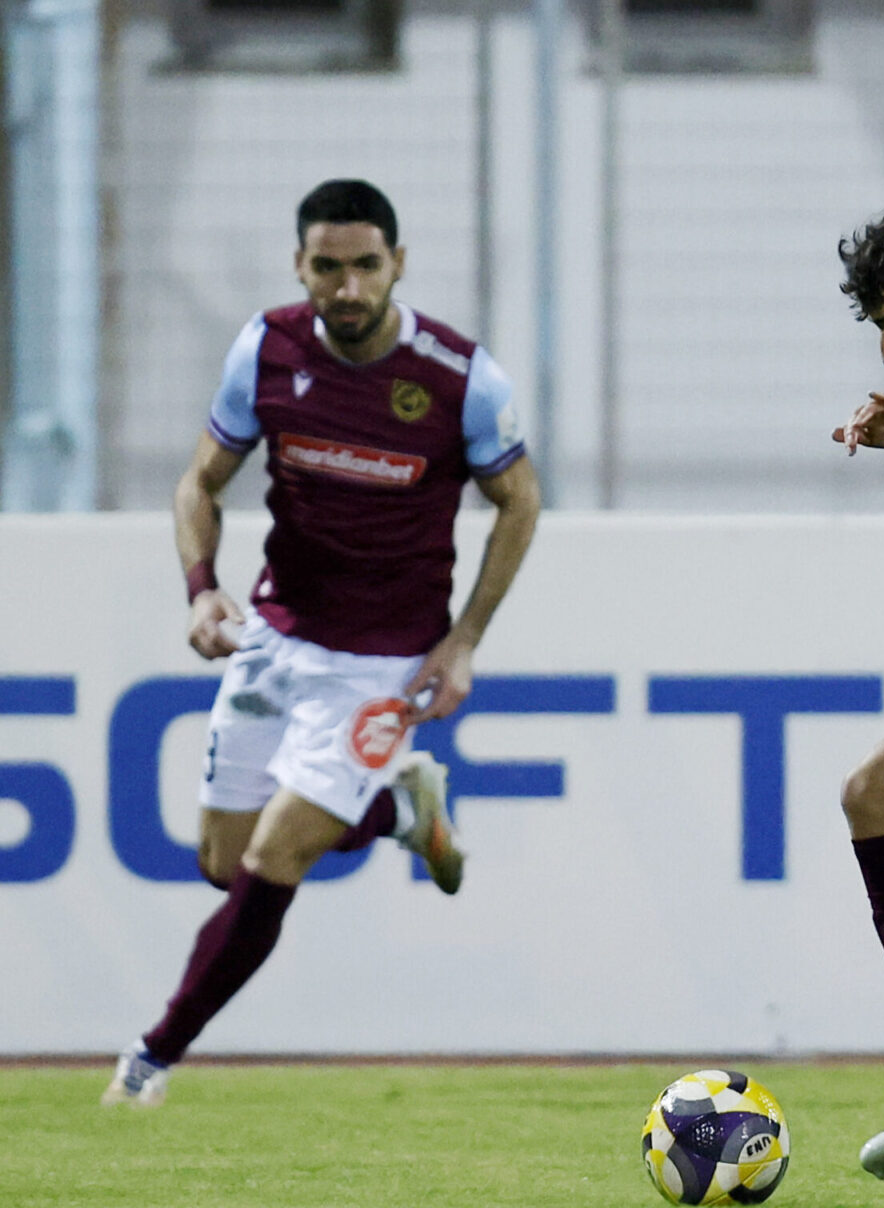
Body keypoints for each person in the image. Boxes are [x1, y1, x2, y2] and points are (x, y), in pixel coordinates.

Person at [101, 179, 541, 1108]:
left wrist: (463, 641)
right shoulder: (265, 349)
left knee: (273, 862)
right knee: (222, 863)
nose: (348, 287)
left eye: (366, 266)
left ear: (398, 265)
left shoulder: (460, 377)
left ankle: (151, 1058)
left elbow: (520, 501)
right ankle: (399, 813)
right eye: (327, 267)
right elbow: (198, 482)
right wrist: (200, 588)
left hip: (384, 659)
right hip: (277, 637)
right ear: (299, 266)